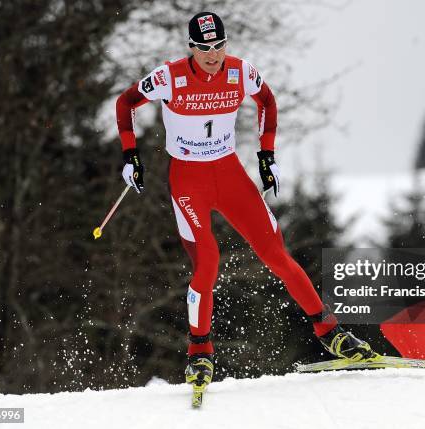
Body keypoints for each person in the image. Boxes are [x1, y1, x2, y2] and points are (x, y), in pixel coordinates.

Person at [115, 11, 374, 388]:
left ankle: (330, 332)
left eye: (219, 46)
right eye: (204, 48)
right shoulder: (169, 77)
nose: (212, 54)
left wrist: (266, 156)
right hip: (188, 180)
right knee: (208, 261)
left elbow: (268, 101)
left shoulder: (240, 72)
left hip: (229, 174)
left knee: (276, 254)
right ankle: (199, 354)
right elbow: (125, 103)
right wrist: (130, 155)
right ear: (191, 47)